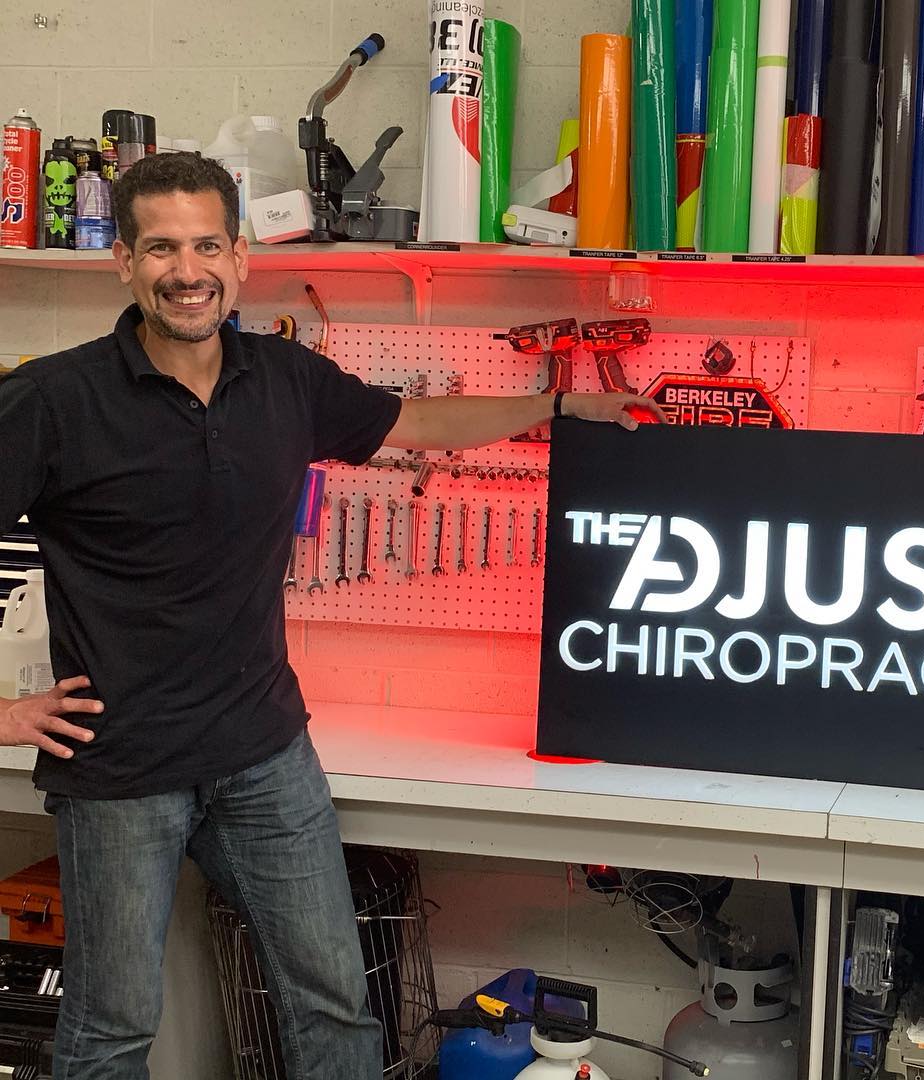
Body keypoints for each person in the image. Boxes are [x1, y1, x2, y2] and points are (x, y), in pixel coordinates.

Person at [0, 152, 663, 1080]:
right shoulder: (54, 400)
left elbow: (416, 425)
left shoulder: (284, 378)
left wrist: (559, 402)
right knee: (111, 1032)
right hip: (120, 770)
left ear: (240, 257)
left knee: (336, 1008)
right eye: (160, 249)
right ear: (124, 262)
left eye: (206, 246)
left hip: (263, 753)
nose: (187, 271)